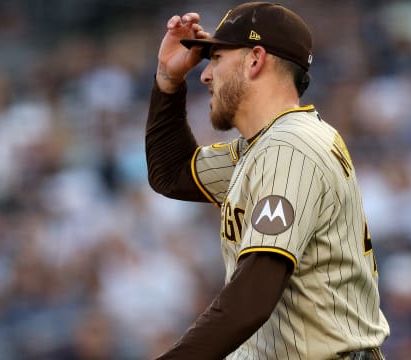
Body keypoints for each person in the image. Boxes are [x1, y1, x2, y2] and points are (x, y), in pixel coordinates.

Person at [146, 2, 390, 359]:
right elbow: (172, 173)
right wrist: (168, 82)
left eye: (216, 58)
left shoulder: (290, 148)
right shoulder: (270, 146)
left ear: (255, 60)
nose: (205, 75)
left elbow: (251, 298)